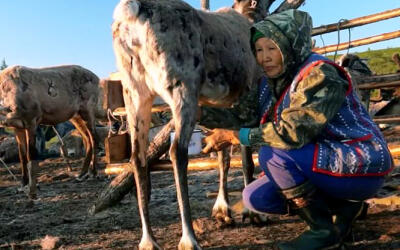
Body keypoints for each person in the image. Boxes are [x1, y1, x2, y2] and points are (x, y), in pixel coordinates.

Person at [200, 9, 393, 250]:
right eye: (259, 50)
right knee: (256, 197)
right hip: (323, 160)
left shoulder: (319, 74)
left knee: (273, 154)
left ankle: (323, 231)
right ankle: (346, 208)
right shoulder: (272, 82)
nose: (264, 57)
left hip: (361, 159)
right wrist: (198, 113)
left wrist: (235, 136)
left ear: (290, 45)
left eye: (272, 48)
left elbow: (293, 133)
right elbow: (243, 117)